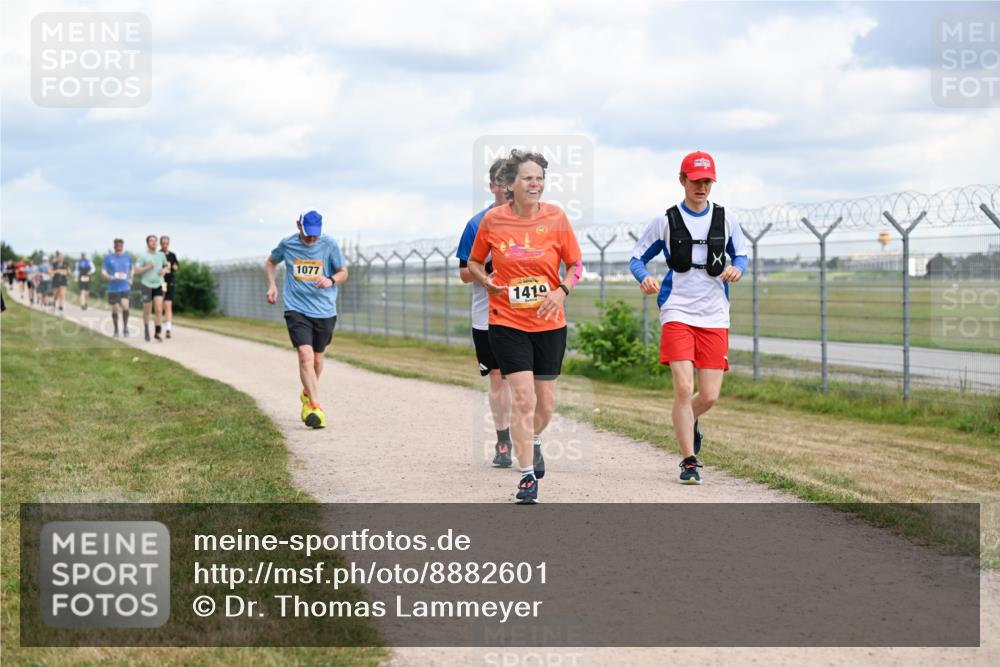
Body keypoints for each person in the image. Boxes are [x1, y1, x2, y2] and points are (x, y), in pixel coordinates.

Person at [467, 149, 584, 504]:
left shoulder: (556, 217)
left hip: (549, 322)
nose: (535, 184)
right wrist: (485, 280)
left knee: (545, 404)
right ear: (511, 184)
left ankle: (531, 438)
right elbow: (474, 262)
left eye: (539, 178)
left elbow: (575, 265)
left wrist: (561, 292)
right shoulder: (493, 221)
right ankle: (527, 475)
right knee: (523, 398)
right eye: (528, 178)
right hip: (506, 321)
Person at [629, 151, 748, 485]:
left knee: (709, 396)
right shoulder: (665, 220)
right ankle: (688, 461)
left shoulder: (726, 218)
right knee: (684, 387)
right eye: (696, 180)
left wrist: (738, 268)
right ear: (682, 180)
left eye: (707, 181)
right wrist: (644, 278)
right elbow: (637, 258)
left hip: (714, 313)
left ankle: (686, 420)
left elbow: (741, 254)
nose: (702, 187)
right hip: (677, 309)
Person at [266, 210, 348, 429]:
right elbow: (271, 262)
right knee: (305, 355)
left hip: (324, 310)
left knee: (317, 361)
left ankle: (306, 394)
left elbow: (343, 272)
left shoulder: (329, 244)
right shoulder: (288, 244)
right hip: (296, 309)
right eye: (307, 233)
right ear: (298, 225)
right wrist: (272, 285)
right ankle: (314, 407)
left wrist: (331, 280)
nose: (312, 238)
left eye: (315, 234)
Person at [457, 158, 513, 467]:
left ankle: (530, 438)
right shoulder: (477, 224)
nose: (508, 190)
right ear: (492, 186)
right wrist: (488, 269)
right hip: (487, 315)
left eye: (512, 183)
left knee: (525, 379)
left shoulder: (533, 221)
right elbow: (464, 273)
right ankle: (503, 440)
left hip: (525, 313)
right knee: (498, 378)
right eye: (502, 184)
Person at [134, 234, 169, 342]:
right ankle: (146, 330)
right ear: (147, 243)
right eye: (151, 241)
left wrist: (164, 270)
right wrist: (147, 267)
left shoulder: (161, 255)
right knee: (147, 310)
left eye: (155, 241)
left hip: (158, 284)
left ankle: (157, 332)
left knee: (158, 309)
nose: (154, 242)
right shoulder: (143, 256)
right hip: (146, 286)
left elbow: (166, 265)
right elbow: (136, 270)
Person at [101, 238, 133, 337]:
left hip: (125, 286)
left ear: (123, 247)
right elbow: (103, 271)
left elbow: (132, 269)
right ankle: (116, 329)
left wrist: (131, 278)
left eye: (120, 246)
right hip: (113, 287)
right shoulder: (108, 258)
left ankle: (125, 328)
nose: (119, 247)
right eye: (117, 246)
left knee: (125, 306)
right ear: (114, 246)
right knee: (115, 309)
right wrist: (108, 276)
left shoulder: (127, 257)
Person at [159, 235, 179, 338]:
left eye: (166, 243)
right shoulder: (157, 255)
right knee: (161, 305)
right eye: (163, 243)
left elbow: (176, 267)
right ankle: (159, 323)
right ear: (160, 244)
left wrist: (175, 267)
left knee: (168, 304)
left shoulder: (172, 255)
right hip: (161, 283)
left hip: (170, 282)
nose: (165, 245)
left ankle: (168, 329)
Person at [51, 251, 69, 316]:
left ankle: (61, 309)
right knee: (55, 295)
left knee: (62, 295)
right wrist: (57, 271)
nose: (61, 258)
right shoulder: (54, 264)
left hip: (63, 281)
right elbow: (51, 272)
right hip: (56, 280)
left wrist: (65, 272)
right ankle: (53, 304)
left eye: (62, 257)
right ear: (58, 258)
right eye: (60, 257)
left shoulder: (66, 263)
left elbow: (68, 272)